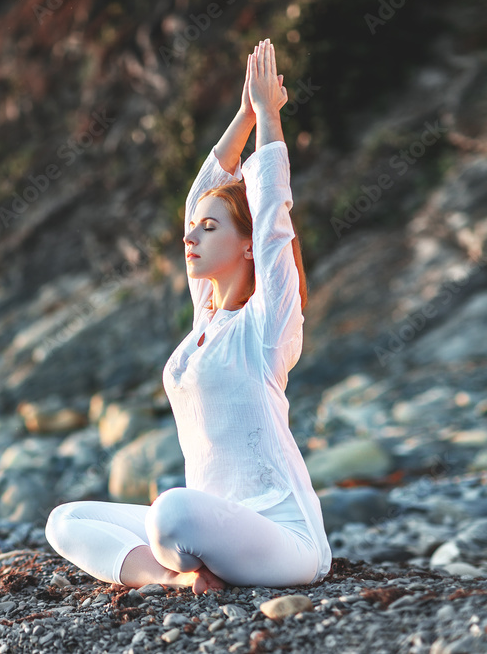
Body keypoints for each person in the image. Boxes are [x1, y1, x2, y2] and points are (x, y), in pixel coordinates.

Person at [44, 39, 332, 594]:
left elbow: (272, 214)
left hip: (281, 536)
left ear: (248, 247)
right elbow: (202, 191)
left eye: (210, 228)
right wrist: (244, 115)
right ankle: (179, 582)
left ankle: (187, 563)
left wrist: (270, 117)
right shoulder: (206, 322)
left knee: (171, 515)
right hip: (211, 522)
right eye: (193, 227)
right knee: (66, 520)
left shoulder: (266, 328)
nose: (190, 234)